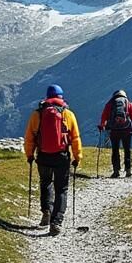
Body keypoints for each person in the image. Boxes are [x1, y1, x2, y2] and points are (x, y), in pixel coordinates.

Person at [24, 84, 83, 236]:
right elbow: (75, 138)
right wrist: (78, 157)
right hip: (61, 157)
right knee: (61, 189)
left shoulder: (37, 114)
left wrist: (29, 155)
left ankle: (46, 213)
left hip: (43, 156)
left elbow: (30, 137)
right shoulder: (68, 114)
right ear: (61, 97)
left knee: (45, 183)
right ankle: (56, 222)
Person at [98, 89, 132, 178]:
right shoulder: (128, 103)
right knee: (127, 149)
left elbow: (104, 116)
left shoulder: (110, 104)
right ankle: (128, 170)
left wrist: (102, 126)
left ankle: (116, 171)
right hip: (127, 130)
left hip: (114, 130)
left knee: (115, 150)